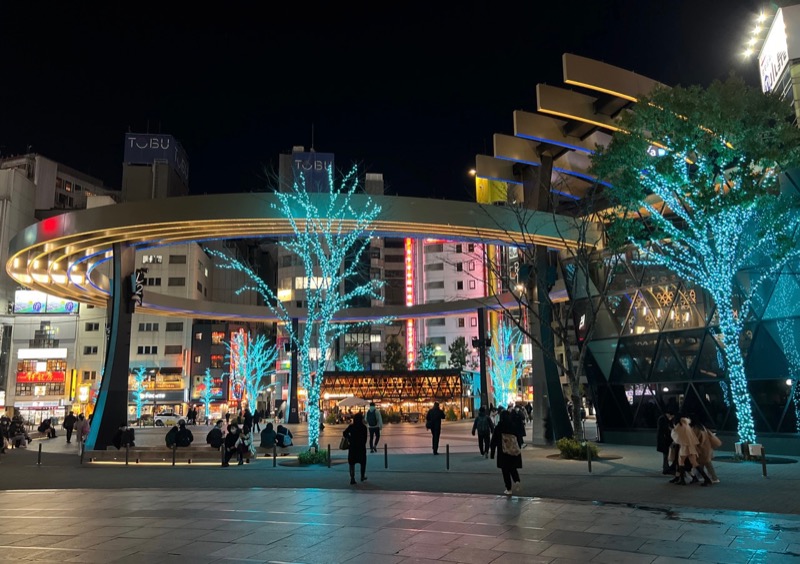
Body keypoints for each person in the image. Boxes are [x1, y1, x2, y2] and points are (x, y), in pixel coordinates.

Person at [670, 416, 712, 486]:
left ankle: (682, 480)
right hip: (691, 446)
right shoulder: (686, 425)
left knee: (681, 462)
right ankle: (707, 479)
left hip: (684, 446)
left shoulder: (679, 426)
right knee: (694, 463)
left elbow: (674, 435)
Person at [490, 409, 522, 495]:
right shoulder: (513, 426)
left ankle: (509, 489)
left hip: (503, 452)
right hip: (513, 451)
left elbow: (493, 441)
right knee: (512, 468)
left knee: (505, 471)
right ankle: (517, 480)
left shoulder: (499, 427)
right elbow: (518, 439)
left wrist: (492, 453)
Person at [343, 412, 368, 485]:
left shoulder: (351, 426)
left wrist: (349, 438)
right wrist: (362, 443)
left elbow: (344, 433)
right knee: (363, 462)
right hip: (361, 447)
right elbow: (365, 438)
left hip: (352, 447)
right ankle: (362, 476)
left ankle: (352, 478)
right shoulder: (364, 427)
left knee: (351, 463)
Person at [656, 409, 676, 474]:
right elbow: (665, 429)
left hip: (665, 440)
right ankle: (666, 469)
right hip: (664, 440)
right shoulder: (663, 419)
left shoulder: (663, 418)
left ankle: (666, 468)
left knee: (666, 455)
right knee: (666, 455)